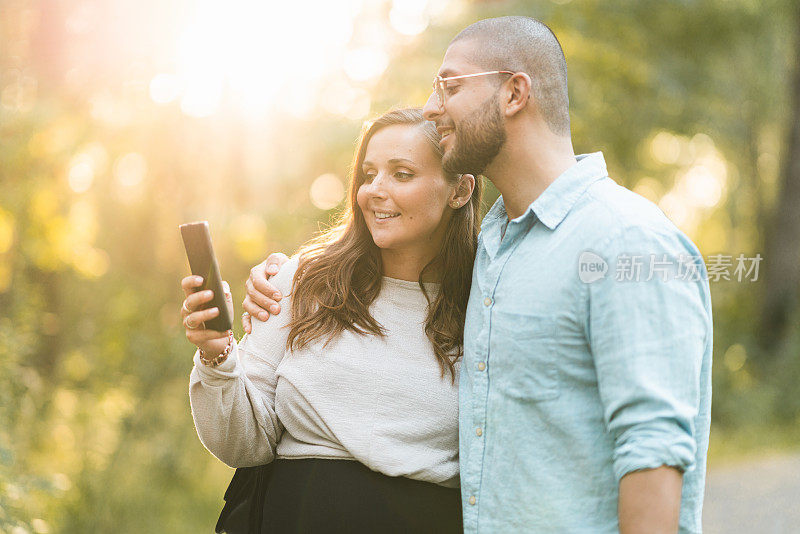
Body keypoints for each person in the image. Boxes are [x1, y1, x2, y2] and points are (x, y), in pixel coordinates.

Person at [244, 16, 713, 534]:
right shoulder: (494, 247)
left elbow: (653, 446)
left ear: (514, 93)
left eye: (450, 86)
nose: (430, 106)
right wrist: (290, 279)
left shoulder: (625, 240)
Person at [180, 108, 481, 533]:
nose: (374, 190)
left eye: (402, 174)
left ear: (460, 190)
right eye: (369, 173)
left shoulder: (485, 303)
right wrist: (216, 355)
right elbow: (242, 443)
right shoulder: (303, 280)